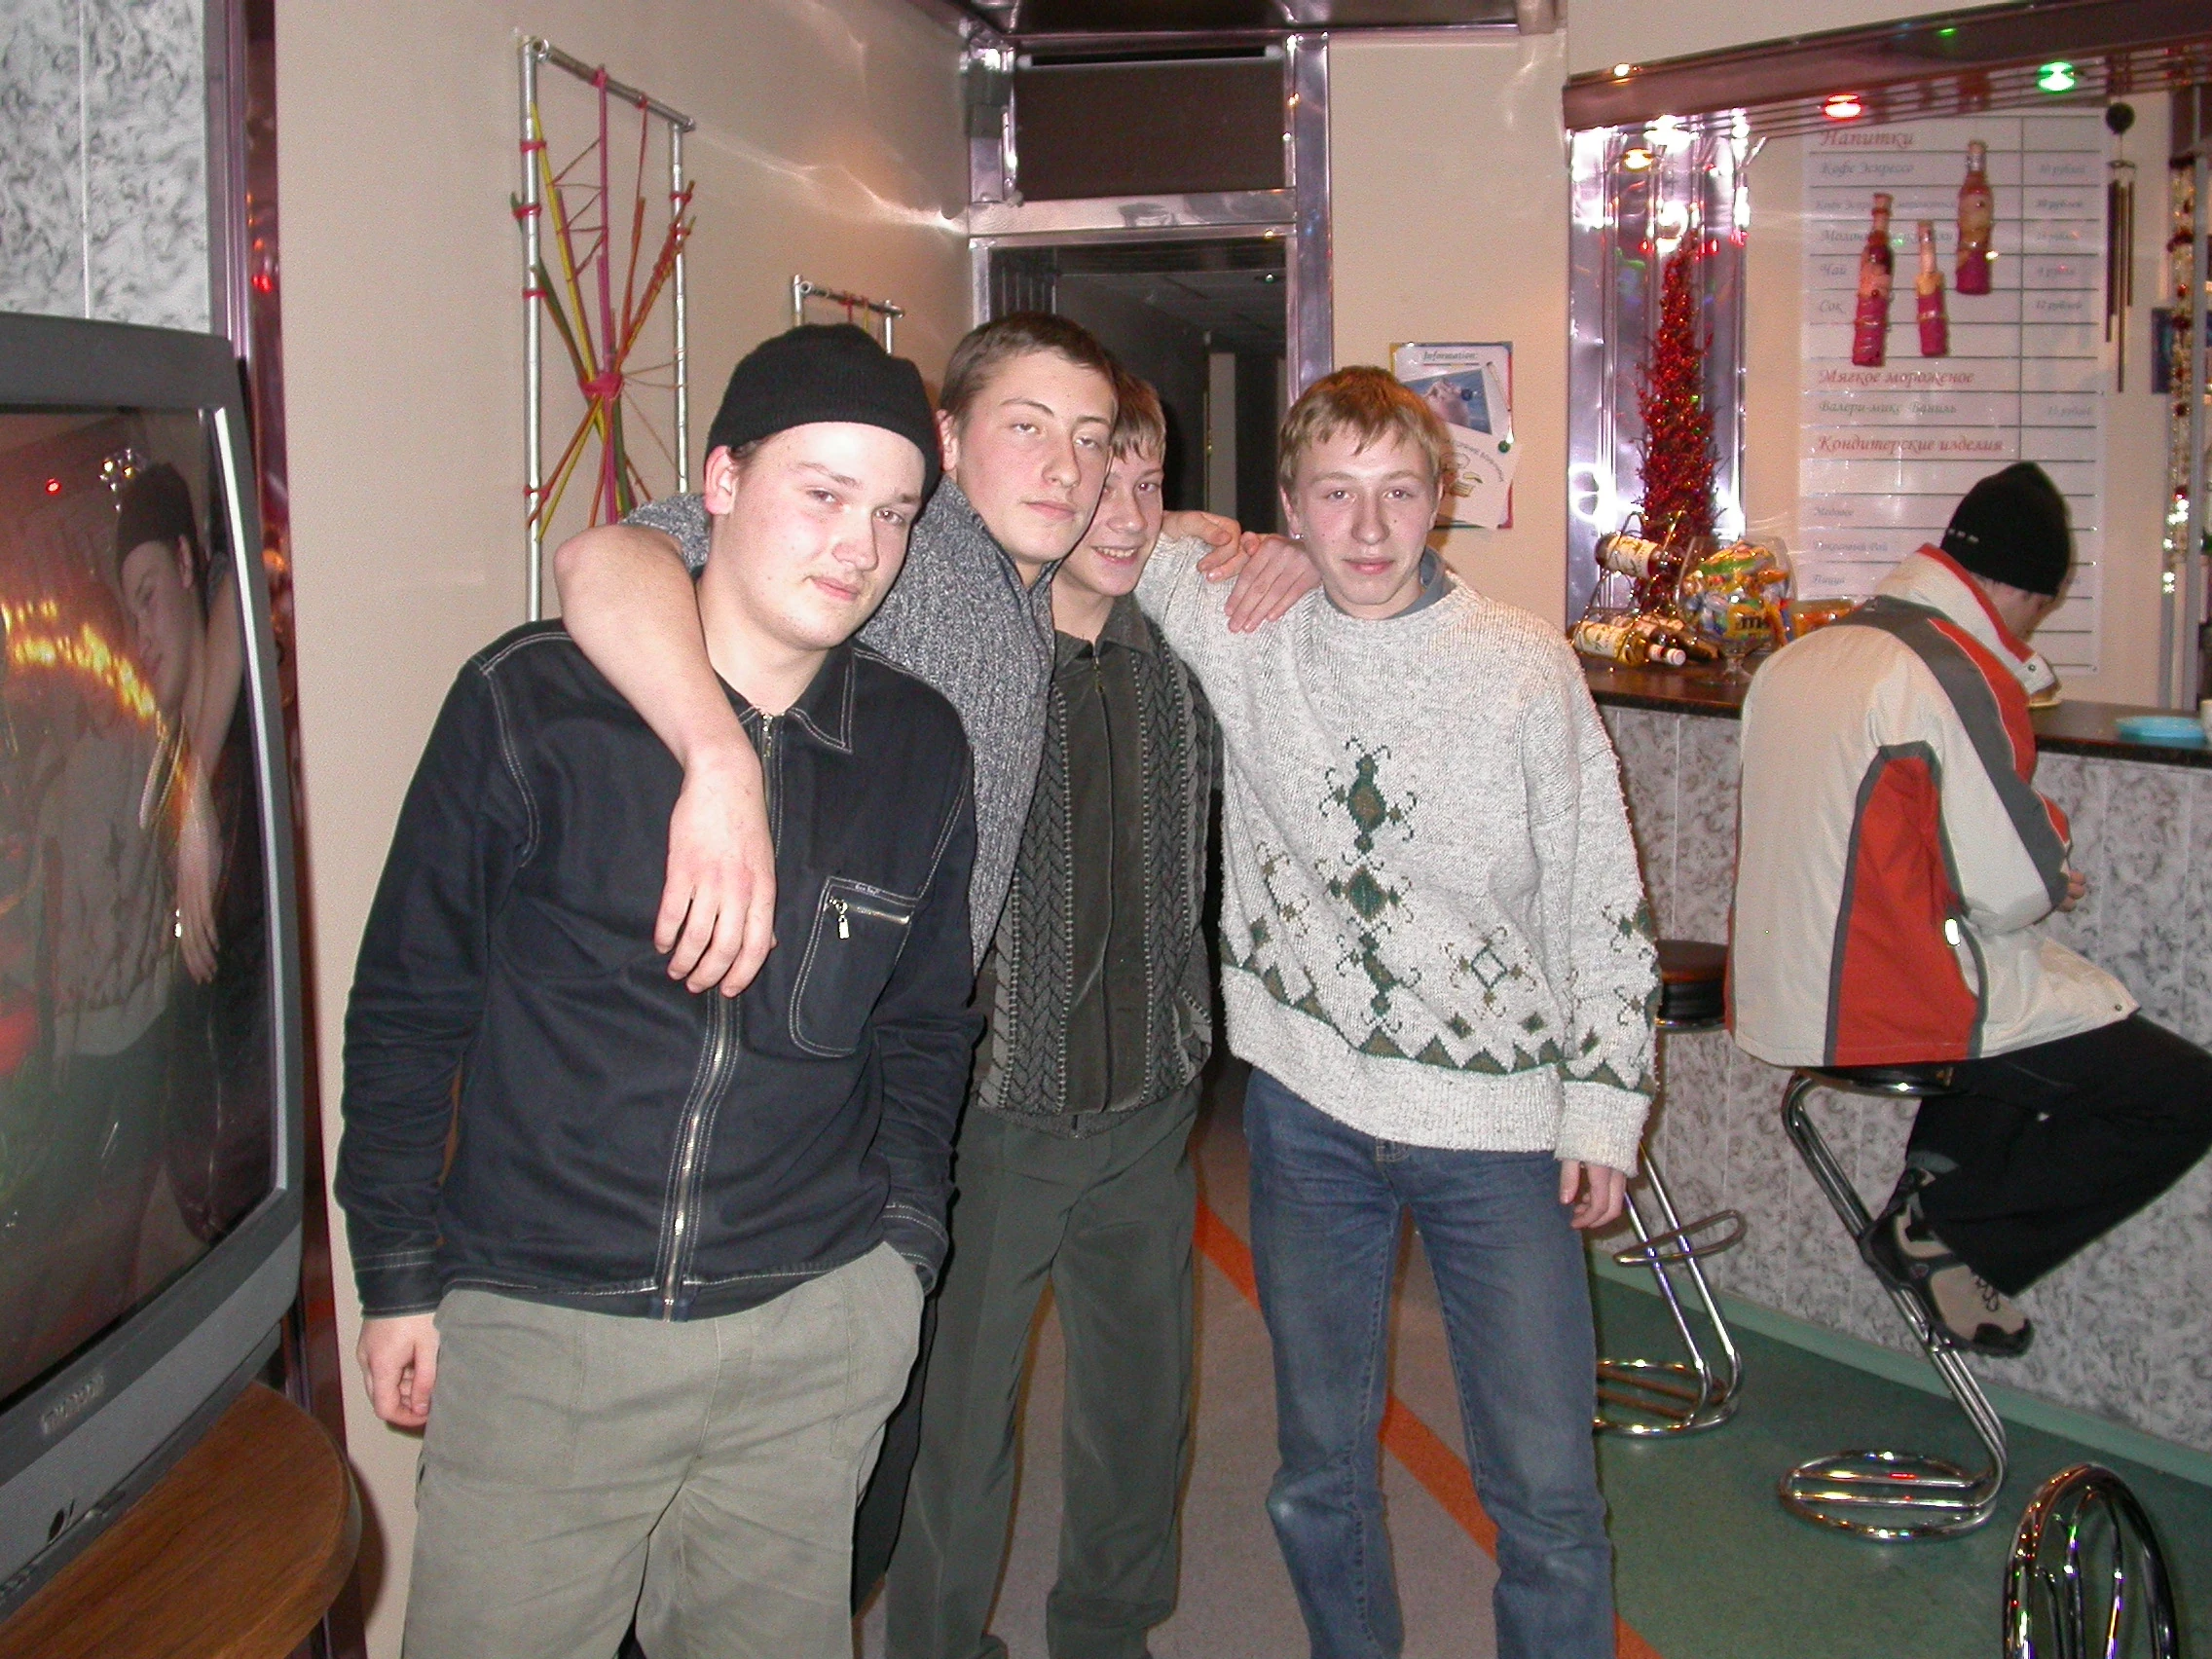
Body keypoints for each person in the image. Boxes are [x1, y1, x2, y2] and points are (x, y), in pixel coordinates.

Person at [552, 313, 1304, 1604]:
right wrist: (716, 760)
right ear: (949, 445)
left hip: (922, 1077)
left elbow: (1129, 530)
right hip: (783, 1085)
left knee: (872, 1460)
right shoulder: (902, 549)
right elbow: (604, 555)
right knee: (817, 1473)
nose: (1073, 472)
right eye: (1032, 431)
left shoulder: (1056, 593)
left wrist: (1224, 535)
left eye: (1099, 447)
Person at [335, 324, 980, 1659]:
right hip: (545, 1332)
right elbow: (409, 999)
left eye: (893, 513)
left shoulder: (916, 746)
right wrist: (396, 1271)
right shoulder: (535, 705)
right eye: (823, 493)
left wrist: (898, 1262)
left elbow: (925, 1027)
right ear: (721, 483)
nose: (859, 546)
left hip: (808, 1333)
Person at [1136, 367, 1657, 1659]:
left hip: (1498, 1133)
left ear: (1441, 501)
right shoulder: (1245, 625)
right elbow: (1108, 516)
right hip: (1309, 1117)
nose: (1367, 530)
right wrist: (1228, 541)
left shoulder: (1522, 666)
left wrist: (1604, 1102)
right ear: (1292, 505)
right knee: (1315, 1468)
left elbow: (1598, 891)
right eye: (1334, 496)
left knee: (1547, 1493)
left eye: (1398, 494)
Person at [1730, 461, 2212, 1356]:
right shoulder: (1949, 669)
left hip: (1776, 985)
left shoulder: (1805, 655)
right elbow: (2012, 883)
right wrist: (2051, 860)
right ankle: (1944, 1234)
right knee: (2181, 1095)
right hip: (1879, 999)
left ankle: (1929, 1205)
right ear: (2029, 591)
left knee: (2033, 1009)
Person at [885, 372, 1216, 1659]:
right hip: (993, 1119)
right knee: (957, 1429)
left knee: (1141, 1413)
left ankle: (1107, 1634)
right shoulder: (968, 651)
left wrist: (1259, 545)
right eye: (1097, 477)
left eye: (1148, 482)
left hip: (1149, 1110)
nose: (1123, 513)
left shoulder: (1185, 659)